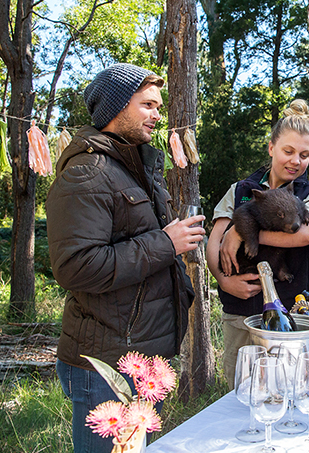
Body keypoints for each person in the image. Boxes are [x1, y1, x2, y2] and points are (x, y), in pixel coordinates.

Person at [46, 63, 204, 453]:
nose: (156, 115)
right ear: (117, 107)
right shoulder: (86, 172)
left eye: (158, 106)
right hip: (105, 365)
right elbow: (76, 266)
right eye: (147, 105)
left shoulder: (138, 168)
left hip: (144, 359)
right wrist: (165, 244)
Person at [206, 99, 309, 389]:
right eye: (288, 151)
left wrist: (243, 233)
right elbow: (214, 241)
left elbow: (305, 235)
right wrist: (223, 281)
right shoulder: (241, 190)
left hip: (294, 315)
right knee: (242, 392)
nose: (295, 161)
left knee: (294, 389)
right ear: (271, 147)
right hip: (240, 309)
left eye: (304, 155)